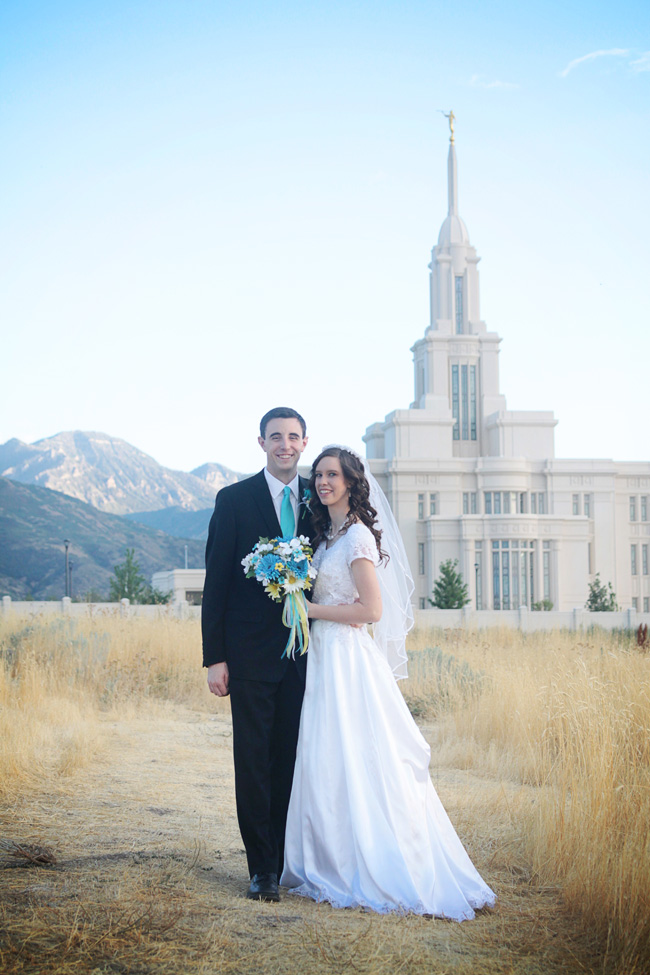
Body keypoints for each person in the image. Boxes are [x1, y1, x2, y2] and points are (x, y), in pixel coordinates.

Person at [281, 446, 496, 919]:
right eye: (318, 475)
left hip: (348, 660)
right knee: (328, 756)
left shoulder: (356, 537)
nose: (322, 482)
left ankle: (378, 860)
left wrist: (311, 610)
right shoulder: (326, 536)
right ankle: (331, 858)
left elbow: (371, 611)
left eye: (332, 474)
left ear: (352, 481)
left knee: (361, 755)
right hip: (325, 660)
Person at [202, 407, 313, 902]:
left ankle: (289, 859)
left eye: (293, 437)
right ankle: (260, 870)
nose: (284, 445)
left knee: (292, 757)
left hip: (310, 655)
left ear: (304, 442)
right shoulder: (234, 500)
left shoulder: (320, 495)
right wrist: (215, 657)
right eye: (276, 437)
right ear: (261, 442)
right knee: (253, 760)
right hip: (248, 657)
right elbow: (216, 582)